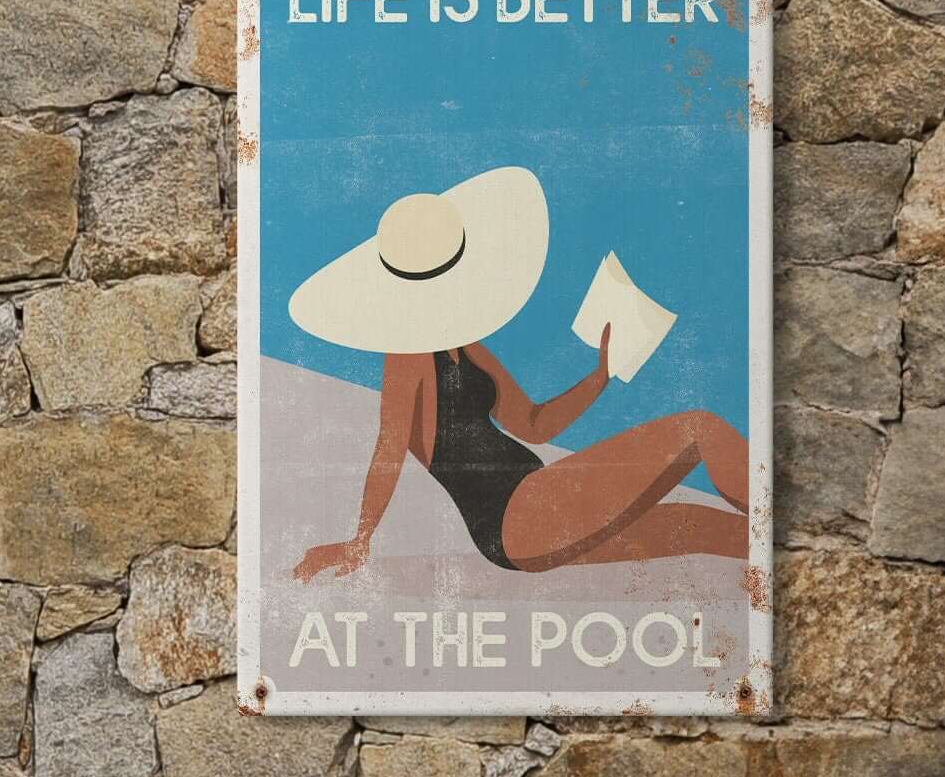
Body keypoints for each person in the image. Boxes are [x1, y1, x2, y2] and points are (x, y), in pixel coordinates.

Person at [286, 165, 750, 581]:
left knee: (706, 528)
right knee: (700, 428)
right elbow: (389, 446)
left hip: (529, 520)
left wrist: (599, 375)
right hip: (518, 510)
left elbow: (534, 423)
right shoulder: (405, 357)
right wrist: (360, 539)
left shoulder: (467, 346)